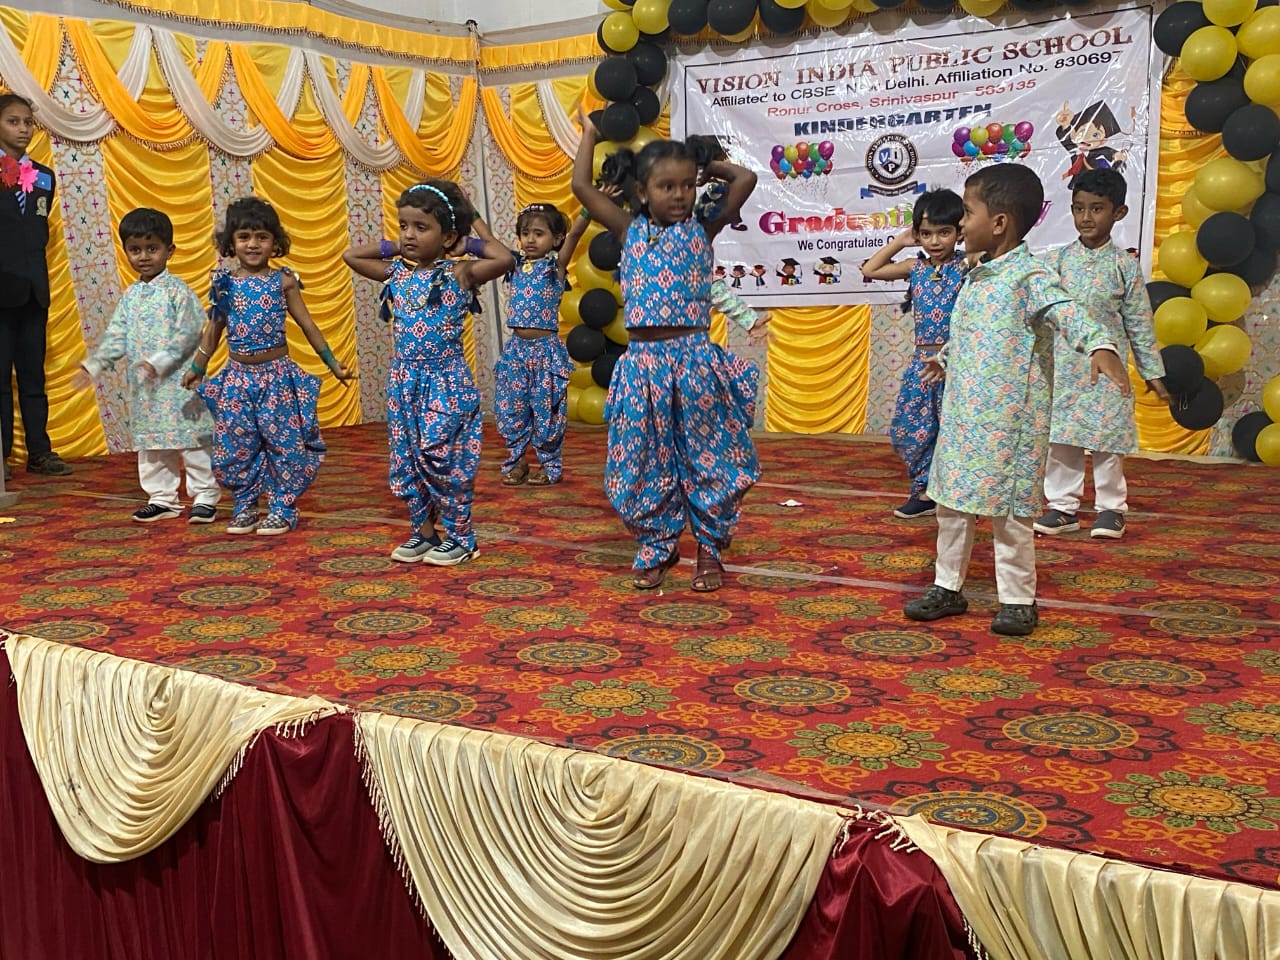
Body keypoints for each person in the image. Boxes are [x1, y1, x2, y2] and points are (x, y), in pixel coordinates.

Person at [903, 164, 1130, 637]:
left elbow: (1066, 310)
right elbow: (971, 332)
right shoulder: (976, 276)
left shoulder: (1030, 276)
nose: (961, 223)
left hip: (1010, 426)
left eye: (967, 213)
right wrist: (945, 357)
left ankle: (1018, 599)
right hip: (963, 419)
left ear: (999, 223)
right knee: (951, 507)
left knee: (1010, 517)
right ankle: (947, 586)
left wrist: (1099, 344)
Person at [573, 107, 760, 593]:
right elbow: (582, 188)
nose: (679, 195)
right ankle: (657, 544)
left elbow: (745, 178)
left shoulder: (703, 227)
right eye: (665, 186)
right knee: (640, 458)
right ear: (641, 191)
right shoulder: (627, 229)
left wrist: (703, 162)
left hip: (694, 360)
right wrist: (590, 133)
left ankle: (710, 549)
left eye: (686, 185)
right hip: (642, 366)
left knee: (709, 456)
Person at [343, 181, 512, 565]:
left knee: (444, 458)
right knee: (408, 458)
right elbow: (350, 255)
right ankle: (423, 533)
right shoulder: (396, 274)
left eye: (421, 227)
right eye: (404, 225)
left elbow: (504, 258)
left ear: (447, 236)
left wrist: (467, 240)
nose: (409, 234)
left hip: (445, 382)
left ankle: (462, 537)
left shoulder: (460, 273)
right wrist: (394, 246)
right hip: (406, 383)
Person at [182, 197, 352, 536]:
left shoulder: (284, 281)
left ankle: (282, 506)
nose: (253, 244)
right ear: (231, 242)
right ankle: (245, 504)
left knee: (282, 443)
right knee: (237, 443)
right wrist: (198, 367)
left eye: (261, 237)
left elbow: (308, 325)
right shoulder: (224, 283)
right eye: (244, 237)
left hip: (276, 379)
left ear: (275, 242)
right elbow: (213, 330)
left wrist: (333, 363)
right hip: (237, 380)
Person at [1035, 168, 1168, 540]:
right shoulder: (1056, 263)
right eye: (1079, 208)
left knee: (1108, 442)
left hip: (1108, 372)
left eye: (1096, 209)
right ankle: (1062, 507)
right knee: (1061, 439)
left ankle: (1111, 509)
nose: (1086, 217)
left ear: (1118, 213)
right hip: (1063, 370)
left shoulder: (1124, 266)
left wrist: (1152, 373)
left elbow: (1139, 325)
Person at [72, 208, 220, 523]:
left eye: (152, 248)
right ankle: (162, 498)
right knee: (152, 444)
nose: (143, 257)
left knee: (193, 441)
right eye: (135, 249)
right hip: (146, 389)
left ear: (170, 250)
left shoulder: (177, 291)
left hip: (182, 384)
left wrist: (159, 362)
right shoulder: (131, 297)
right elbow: (116, 336)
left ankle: (205, 495)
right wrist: (94, 365)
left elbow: (191, 331)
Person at [861, 189, 966, 520]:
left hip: (957, 363)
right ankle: (924, 491)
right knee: (910, 429)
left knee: (955, 431)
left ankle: (958, 495)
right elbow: (871, 269)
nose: (935, 241)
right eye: (927, 233)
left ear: (959, 232)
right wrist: (902, 240)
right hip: (922, 364)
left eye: (944, 232)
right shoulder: (915, 267)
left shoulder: (967, 265)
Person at [0, 92, 70, 480]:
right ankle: (1, 458)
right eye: (13, 121)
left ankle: (40, 453)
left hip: (33, 291)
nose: (23, 129)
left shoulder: (43, 176)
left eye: (28, 122)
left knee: (33, 377)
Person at [493, 202, 587, 487]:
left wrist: (588, 209)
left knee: (547, 412)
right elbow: (488, 241)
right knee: (512, 409)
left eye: (538, 233)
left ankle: (549, 465)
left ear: (556, 239)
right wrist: (470, 212)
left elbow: (574, 235)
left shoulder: (554, 267)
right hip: (516, 352)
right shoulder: (514, 265)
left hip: (545, 352)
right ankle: (517, 462)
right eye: (525, 233)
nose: (530, 239)